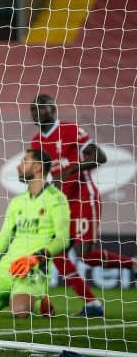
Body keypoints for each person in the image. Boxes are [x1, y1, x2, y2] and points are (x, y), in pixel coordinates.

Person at [30, 94, 137, 317]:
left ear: (52, 110)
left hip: (83, 199)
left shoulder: (71, 130)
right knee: (56, 254)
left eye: (41, 108)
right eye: (33, 110)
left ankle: (132, 264)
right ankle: (92, 304)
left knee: (85, 256)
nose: (36, 113)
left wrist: (71, 170)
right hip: (61, 205)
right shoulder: (36, 142)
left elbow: (100, 156)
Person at [0, 149, 69, 318]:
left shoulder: (56, 199)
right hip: (6, 268)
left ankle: (39, 302)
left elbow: (63, 239)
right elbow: (1, 241)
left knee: (20, 312)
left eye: (24, 162)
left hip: (34, 269)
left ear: (38, 167)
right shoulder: (17, 202)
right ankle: (5, 296)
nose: (18, 166)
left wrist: (34, 258)